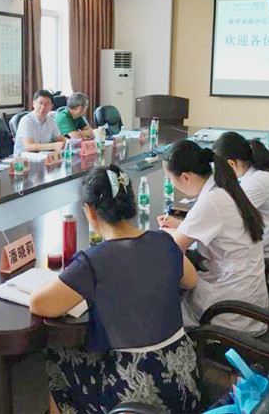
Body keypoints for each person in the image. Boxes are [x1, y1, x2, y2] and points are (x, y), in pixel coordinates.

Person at [30, 166, 200, 413]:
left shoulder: (94, 261)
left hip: (134, 392)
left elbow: (40, 304)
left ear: (90, 211)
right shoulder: (164, 241)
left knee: (59, 356)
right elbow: (190, 280)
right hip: (184, 381)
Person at [157, 140, 269, 336]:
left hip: (230, 308)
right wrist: (181, 226)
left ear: (185, 177)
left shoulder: (210, 201)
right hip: (246, 295)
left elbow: (172, 249)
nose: (172, 184)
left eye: (170, 179)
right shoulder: (223, 186)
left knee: (162, 309)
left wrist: (166, 232)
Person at [212, 132, 269, 284]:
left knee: (208, 264)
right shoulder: (267, 171)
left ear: (231, 164)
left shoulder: (257, 182)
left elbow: (225, 220)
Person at [13, 90, 65, 156]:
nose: (43, 107)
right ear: (33, 104)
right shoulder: (26, 120)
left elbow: (60, 138)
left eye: (46, 104)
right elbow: (28, 146)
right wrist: (53, 146)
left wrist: (66, 143)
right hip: (22, 158)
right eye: (40, 103)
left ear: (51, 106)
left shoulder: (50, 120)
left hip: (41, 156)